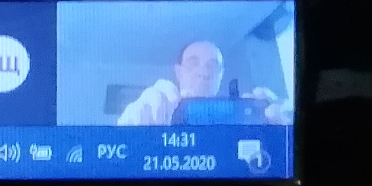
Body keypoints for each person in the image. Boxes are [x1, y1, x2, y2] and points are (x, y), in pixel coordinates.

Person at [115, 40, 290, 126]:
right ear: (178, 72)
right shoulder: (154, 111)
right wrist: (134, 130)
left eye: (213, 65)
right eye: (193, 63)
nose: (204, 71)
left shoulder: (245, 118)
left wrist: (286, 135)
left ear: (221, 75)